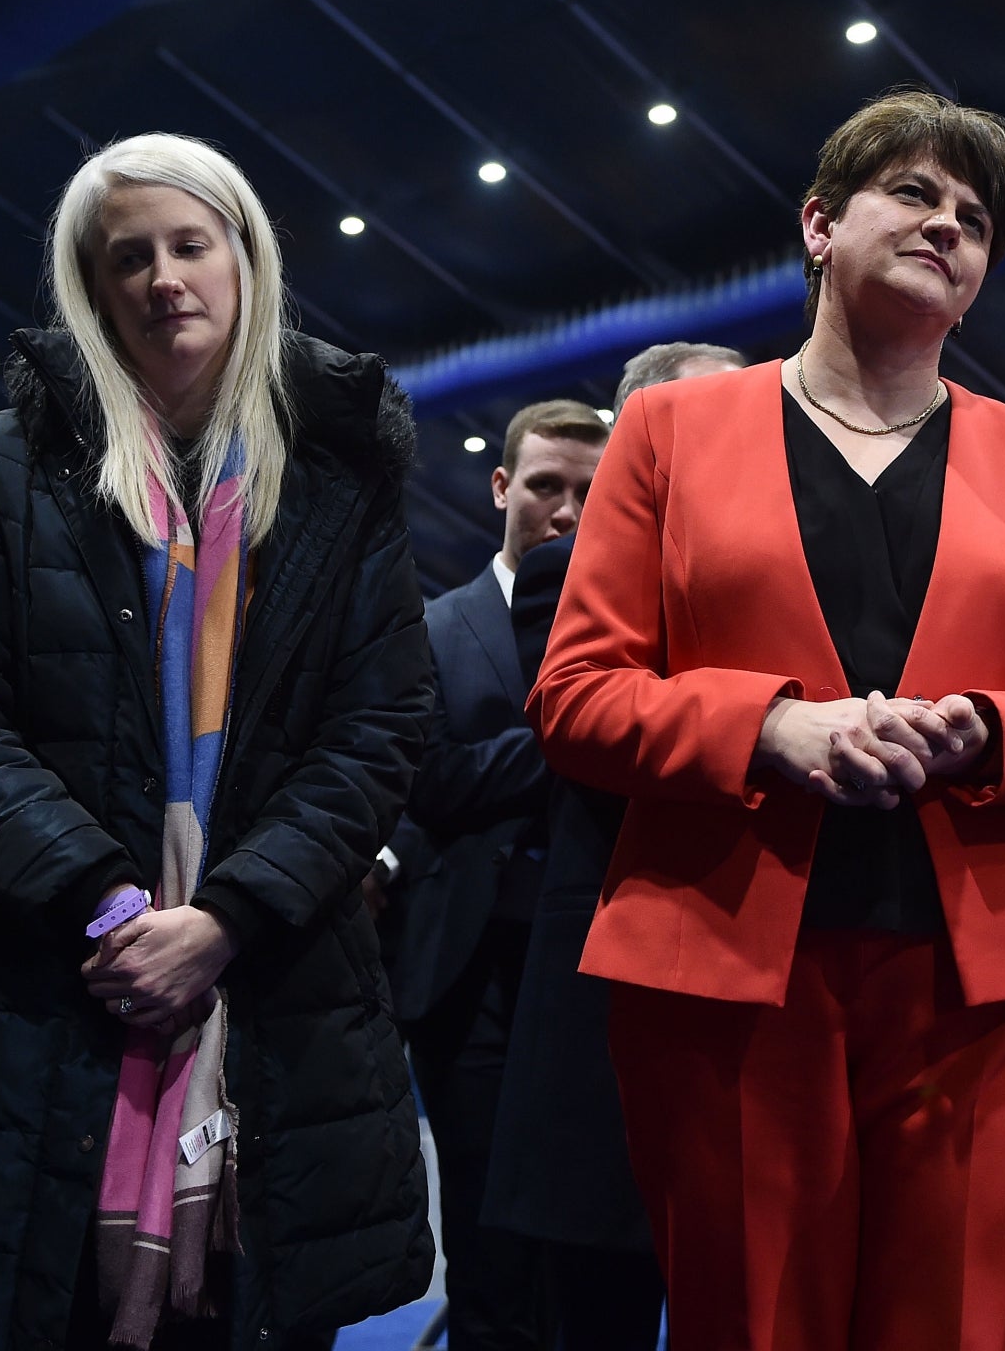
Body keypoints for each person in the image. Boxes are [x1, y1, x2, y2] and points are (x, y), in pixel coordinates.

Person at [528, 90, 1005, 1351]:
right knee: (753, 1325)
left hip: (983, 981)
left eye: (974, 218)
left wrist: (986, 727)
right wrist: (771, 729)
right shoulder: (668, 428)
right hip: (726, 967)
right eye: (915, 194)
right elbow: (575, 692)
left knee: (957, 1327)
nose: (947, 226)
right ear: (818, 224)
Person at [0, 133, 436, 1350]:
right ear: (94, 287)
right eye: (130, 257)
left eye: (189, 243)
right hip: (35, 982)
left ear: (244, 256)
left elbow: (379, 727)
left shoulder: (342, 468)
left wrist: (224, 918)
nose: (165, 276)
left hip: (276, 988)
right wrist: (108, 906)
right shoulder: (8, 463)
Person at [483, 341, 743, 1351]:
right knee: (599, 1307)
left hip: (773, 980)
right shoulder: (569, 572)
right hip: (614, 986)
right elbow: (593, 739)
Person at [374, 399, 609, 1351]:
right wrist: (587, 738)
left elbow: (469, 777)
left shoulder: (645, 633)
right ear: (504, 487)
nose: (565, 511)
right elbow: (429, 781)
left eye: (589, 492)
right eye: (547, 486)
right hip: (465, 972)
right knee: (482, 1245)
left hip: (596, 963)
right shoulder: (430, 627)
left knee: (594, 1252)